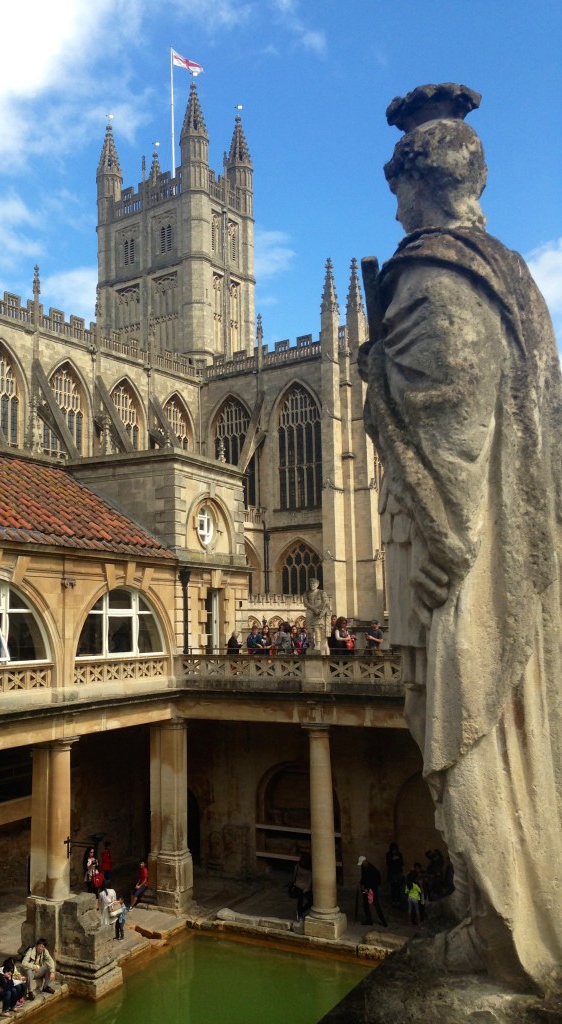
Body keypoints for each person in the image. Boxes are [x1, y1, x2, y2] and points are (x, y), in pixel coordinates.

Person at [360, 82, 562, 991]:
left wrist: (372, 377)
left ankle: (500, 930)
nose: (392, 203)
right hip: (521, 551)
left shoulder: (430, 276)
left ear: (420, 182)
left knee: (467, 731)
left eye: (397, 185)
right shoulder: (517, 278)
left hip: (466, 558)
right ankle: (499, 915)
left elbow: (443, 428)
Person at [303, 578, 332, 651]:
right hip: (310, 613)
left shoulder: (322, 592)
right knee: (309, 630)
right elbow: (306, 603)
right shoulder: (306, 593)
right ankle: (311, 644)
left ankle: (318, 645)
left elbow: (326, 603)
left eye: (314, 584)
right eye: (311, 584)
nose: (312, 585)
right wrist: (314, 609)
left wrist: (320, 611)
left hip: (319, 613)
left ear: (317, 585)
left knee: (317, 629)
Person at [357, 855, 387, 927]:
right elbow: (364, 878)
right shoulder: (363, 868)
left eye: (362, 863)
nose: (362, 865)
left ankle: (383, 921)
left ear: (365, 861)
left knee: (376, 904)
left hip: (372, 890)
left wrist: (368, 888)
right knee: (365, 903)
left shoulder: (373, 870)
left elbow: (375, 881)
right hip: (366, 890)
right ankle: (369, 920)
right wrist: (360, 883)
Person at [291, 853, 313, 922]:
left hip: (297, 885)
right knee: (311, 901)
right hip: (305, 888)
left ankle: (299, 914)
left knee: (299, 901)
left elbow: (295, 875)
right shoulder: (310, 869)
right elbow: (310, 880)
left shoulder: (297, 866)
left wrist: (294, 883)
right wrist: (307, 888)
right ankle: (301, 911)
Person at [385, 842, 405, 908]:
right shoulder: (388, 854)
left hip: (398, 872)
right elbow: (388, 863)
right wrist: (393, 859)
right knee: (393, 888)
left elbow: (402, 863)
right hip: (392, 873)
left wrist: (397, 859)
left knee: (398, 888)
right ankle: (394, 901)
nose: (394, 850)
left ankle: (398, 901)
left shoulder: (399, 854)